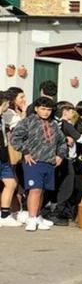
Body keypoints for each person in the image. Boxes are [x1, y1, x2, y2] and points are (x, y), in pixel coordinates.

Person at [9, 96, 67, 232]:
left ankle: (38, 215)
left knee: (42, 191)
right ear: (36, 109)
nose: (46, 112)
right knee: (34, 189)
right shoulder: (27, 122)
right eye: (43, 109)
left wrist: (60, 155)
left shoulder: (54, 124)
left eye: (49, 109)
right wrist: (26, 152)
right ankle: (31, 218)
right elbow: (15, 138)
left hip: (49, 161)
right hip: (33, 161)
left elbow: (62, 142)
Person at [0, 93, 21, 226]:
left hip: (3, 156)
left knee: (11, 183)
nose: (8, 106)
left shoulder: (2, 118)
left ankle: (5, 215)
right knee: (10, 183)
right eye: (6, 103)